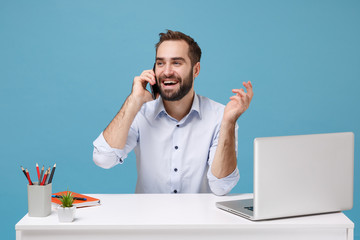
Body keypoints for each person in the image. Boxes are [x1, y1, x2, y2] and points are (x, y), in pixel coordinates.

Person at [93, 30, 253, 195]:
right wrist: (133, 100)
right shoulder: (140, 112)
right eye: (160, 63)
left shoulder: (220, 116)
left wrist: (229, 123)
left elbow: (221, 187)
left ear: (196, 69)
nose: (167, 71)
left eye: (176, 63)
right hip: (149, 219)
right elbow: (103, 159)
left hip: (199, 220)